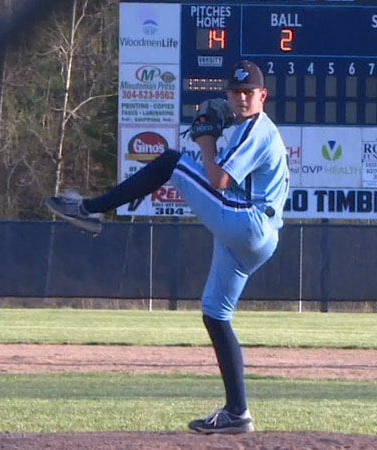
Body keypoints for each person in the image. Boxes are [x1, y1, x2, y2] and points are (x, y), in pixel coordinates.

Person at [44, 60, 289, 434]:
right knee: (215, 314)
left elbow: (219, 180)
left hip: (249, 223)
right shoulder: (245, 129)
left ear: (262, 96)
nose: (241, 98)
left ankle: (89, 210)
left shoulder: (258, 128)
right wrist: (212, 139)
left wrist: (205, 140)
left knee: (173, 161)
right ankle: (238, 413)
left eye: (248, 92)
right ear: (229, 94)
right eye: (236, 92)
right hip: (253, 236)